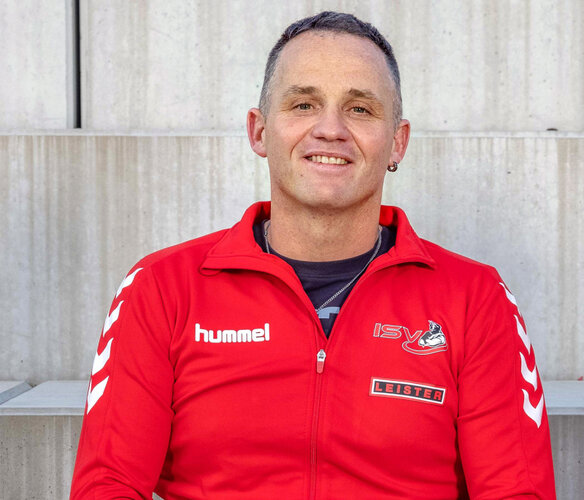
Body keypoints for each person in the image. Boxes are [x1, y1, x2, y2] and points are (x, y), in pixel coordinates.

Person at [70, 11, 556, 499]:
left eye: (360, 109)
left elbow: (517, 491)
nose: (330, 129)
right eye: (303, 104)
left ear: (397, 142)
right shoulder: (163, 287)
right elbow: (109, 485)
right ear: (259, 131)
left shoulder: (476, 298)